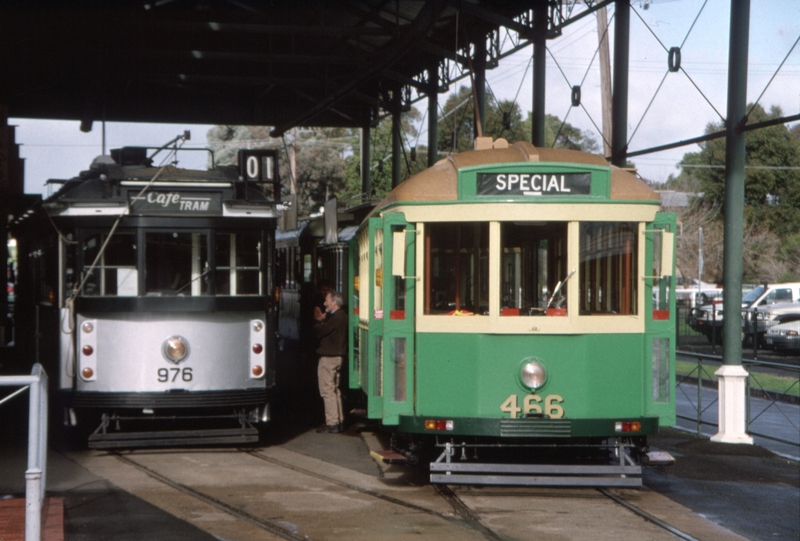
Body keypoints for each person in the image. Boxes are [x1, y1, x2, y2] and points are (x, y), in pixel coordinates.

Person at [313, 289, 346, 433]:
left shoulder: (336, 318)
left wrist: (318, 320)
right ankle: (339, 420)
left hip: (329, 358)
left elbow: (319, 331)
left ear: (334, 302)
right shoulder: (341, 316)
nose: (324, 303)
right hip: (337, 357)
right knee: (335, 390)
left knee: (327, 391)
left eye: (327, 300)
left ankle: (332, 423)